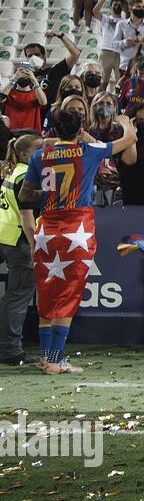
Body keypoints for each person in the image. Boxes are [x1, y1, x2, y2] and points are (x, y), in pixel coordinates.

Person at [20, 108, 137, 373]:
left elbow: (26, 194)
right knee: (68, 294)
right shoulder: (89, 151)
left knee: (48, 293)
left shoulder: (40, 156)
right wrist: (125, 123)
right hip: (77, 230)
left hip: (46, 229)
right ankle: (55, 360)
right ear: (80, 128)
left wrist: (48, 195)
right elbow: (128, 141)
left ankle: (45, 356)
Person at [0, 134, 41, 366]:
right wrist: (34, 245)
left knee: (14, 295)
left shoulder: (13, 172)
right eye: (38, 148)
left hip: (6, 236)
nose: (43, 152)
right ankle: (10, 350)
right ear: (25, 154)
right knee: (18, 295)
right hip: (18, 241)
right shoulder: (26, 176)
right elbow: (27, 218)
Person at [2, 64, 47, 132]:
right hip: (10, 132)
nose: (24, 74)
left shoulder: (37, 93)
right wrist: (14, 78)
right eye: (22, 72)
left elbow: (43, 103)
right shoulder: (9, 92)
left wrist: (34, 80)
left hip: (30, 133)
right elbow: (1, 98)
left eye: (27, 73)